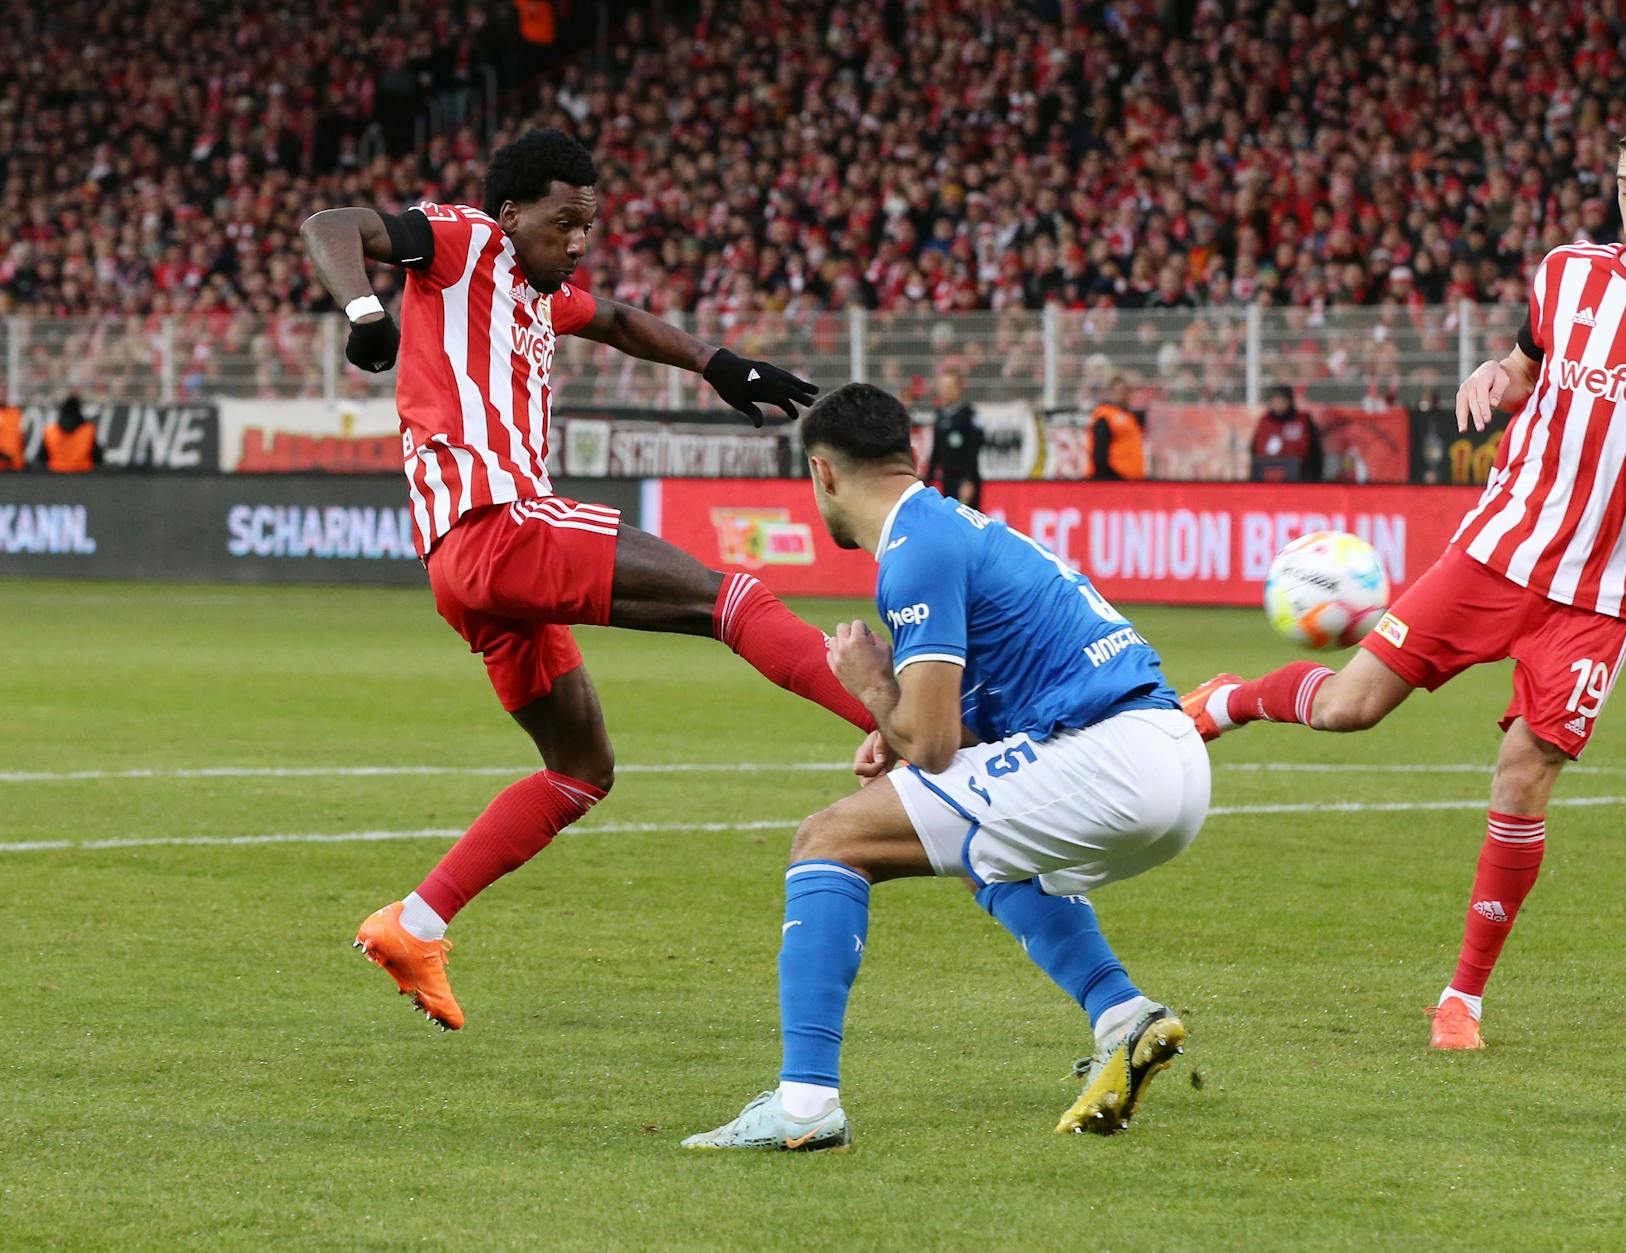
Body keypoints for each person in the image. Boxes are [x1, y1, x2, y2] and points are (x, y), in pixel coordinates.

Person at [1182, 117, 1626, 1050]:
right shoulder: (1565, 273)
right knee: (1347, 708)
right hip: (1498, 549)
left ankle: (1461, 997)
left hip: (1601, 595)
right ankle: (1231, 699)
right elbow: (1526, 364)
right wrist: (1494, 375)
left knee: (1523, 778)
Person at [302, 127, 872, 1030]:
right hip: (499, 522)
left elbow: (614, 319)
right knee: (726, 598)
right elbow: (331, 224)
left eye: (588, 226)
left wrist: (717, 364)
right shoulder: (460, 241)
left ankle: (414, 924)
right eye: (562, 223)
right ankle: (918, 729)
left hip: (466, 567)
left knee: (579, 769)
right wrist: (365, 311)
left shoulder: (542, 293)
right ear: (512, 213)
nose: (576, 242)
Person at [684, 383, 1210, 1151]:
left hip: (1112, 758)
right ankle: (1124, 1015)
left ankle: (804, 1104)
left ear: (822, 473)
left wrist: (872, 689)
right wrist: (897, 730)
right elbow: (954, 730)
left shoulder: (913, 548)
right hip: (1161, 758)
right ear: (912, 455)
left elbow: (931, 744)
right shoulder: (951, 526)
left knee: (827, 839)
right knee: (981, 853)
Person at [921, 367, 983, 507]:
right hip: (947, 479)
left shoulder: (969, 415)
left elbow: (973, 451)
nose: (945, 391)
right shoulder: (940, 415)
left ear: (959, 388)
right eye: (942, 387)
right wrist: (927, 481)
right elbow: (936, 451)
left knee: (966, 522)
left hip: (964, 480)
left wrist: (968, 480)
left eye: (949, 387)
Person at [1248, 383, 1324, 482]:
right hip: (1268, 477)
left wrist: (1312, 476)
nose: (1278, 403)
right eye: (1274, 400)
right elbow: (1254, 449)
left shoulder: (1303, 421)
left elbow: (1314, 451)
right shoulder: (1264, 422)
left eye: (1281, 399)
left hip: (1298, 478)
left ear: (1289, 401)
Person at [1087, 372, 1147, 480]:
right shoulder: (1104, 416)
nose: (1122, 395)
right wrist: (1110, 478)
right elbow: (1099, 455)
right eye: (1118, 392)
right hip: (1115, 478)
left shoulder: (1129, 416)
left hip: (1130, 479)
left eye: (1125, 392)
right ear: (1110, 392)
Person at [40, 396, 99, 473]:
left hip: (56, 473)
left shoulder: (50, 431)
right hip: (83, 473)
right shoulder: (88, 430)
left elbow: (42, 457)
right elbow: (97, 457)